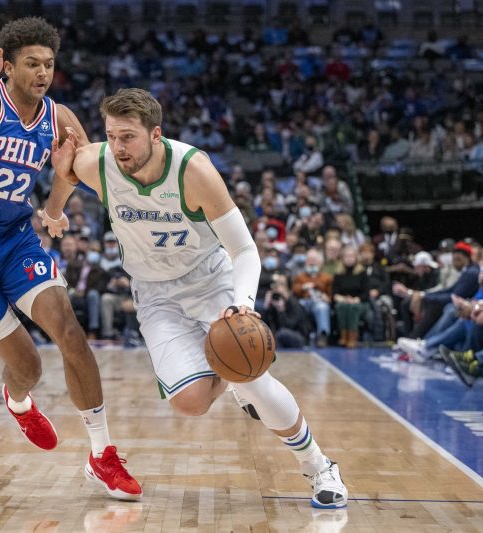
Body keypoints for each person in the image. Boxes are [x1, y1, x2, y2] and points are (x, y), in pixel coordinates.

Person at [42, 88, 347, 509]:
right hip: (153, 292)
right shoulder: (99, 162)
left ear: (156, 135)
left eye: (128, 137)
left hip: (210, 283)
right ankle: (231, 378)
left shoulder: (194, 171)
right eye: (111, 136)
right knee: (190, 403)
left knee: (255, 380)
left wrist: (243, 304)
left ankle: (319, 466)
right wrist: (55, 212)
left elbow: (244, 251)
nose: (118, 147)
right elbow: (67, 171)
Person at [0, 17, 140, 500]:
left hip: (15, 239)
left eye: (48, 64)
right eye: (31, 63)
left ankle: (101, 454)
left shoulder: (58, 116)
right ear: (8, 66)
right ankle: (19, 401)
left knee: (69, 331)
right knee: (28, 368)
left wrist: (52, 209)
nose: (42, 72)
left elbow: (76, 165)